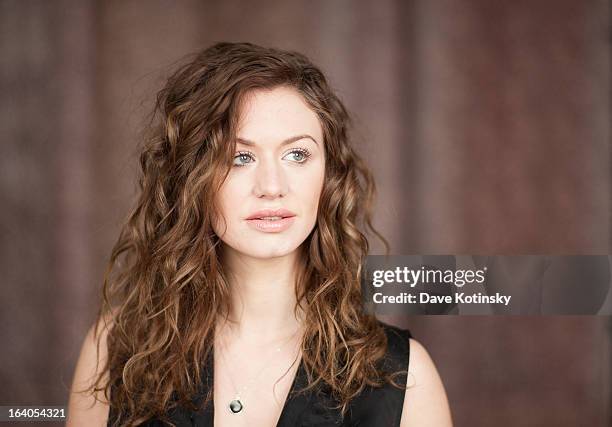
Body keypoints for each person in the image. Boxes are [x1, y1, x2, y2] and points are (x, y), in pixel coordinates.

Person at [66, 42, 452, 427]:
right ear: (190, 178)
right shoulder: (115, 349)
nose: (272, 186)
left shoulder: (406, 377)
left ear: (329, 174)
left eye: (297, 155)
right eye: (240, 157)